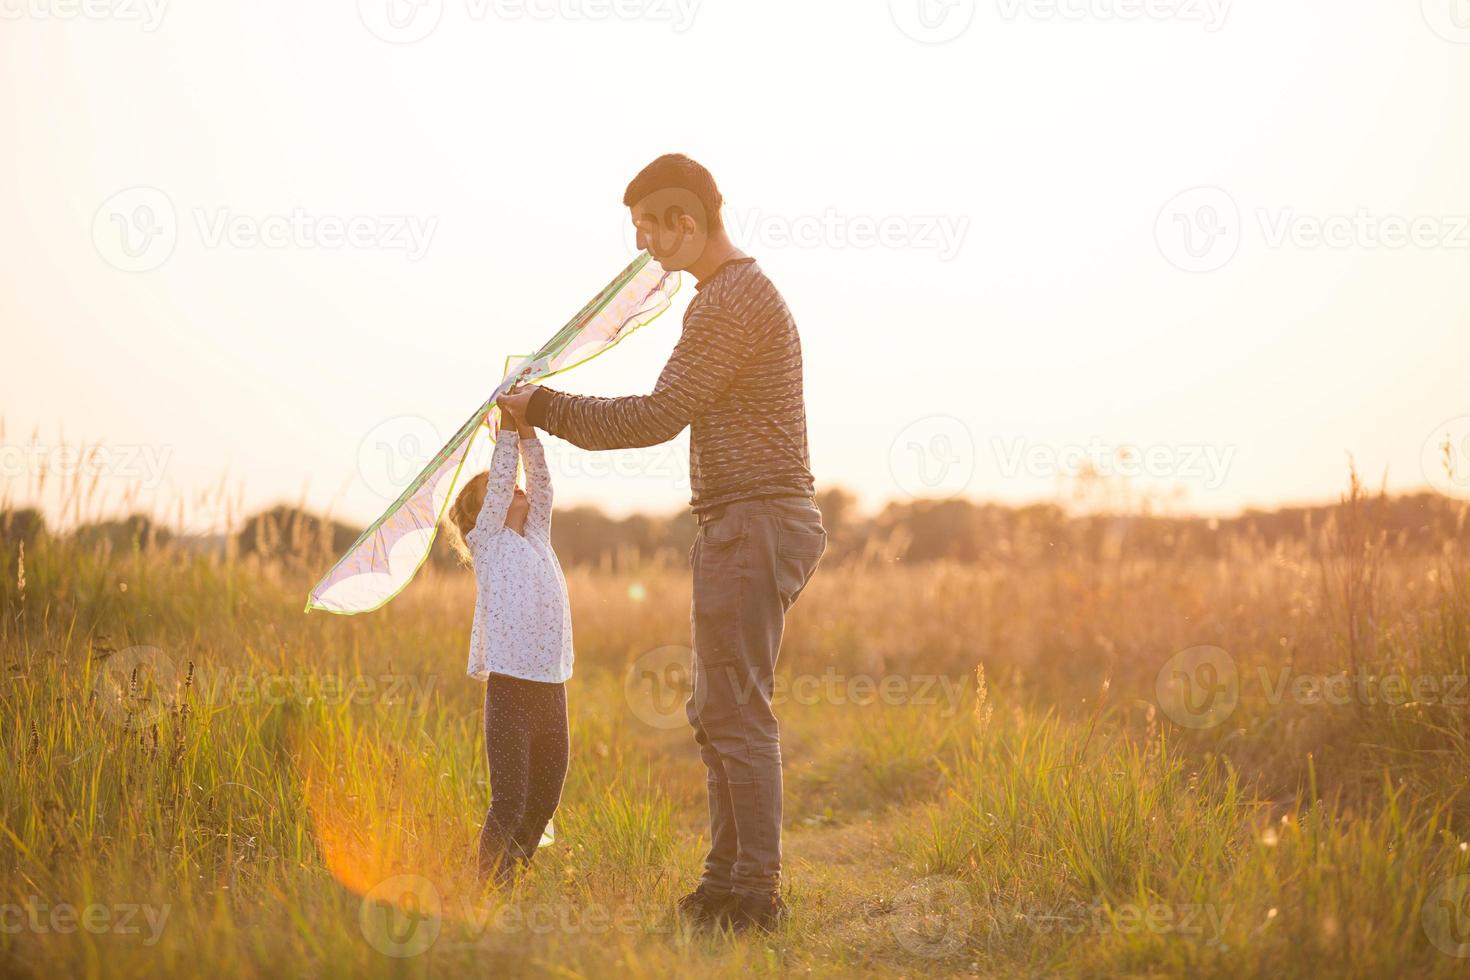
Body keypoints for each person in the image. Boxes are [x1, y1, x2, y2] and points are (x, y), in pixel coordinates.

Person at [497, 153, 826, 932]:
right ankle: (723, 883)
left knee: (736, 712)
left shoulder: (729, 302)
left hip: (753, 520)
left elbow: (654, 416)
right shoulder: (729, 294)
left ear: (688, 219)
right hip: (743, 520)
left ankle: (756, 894)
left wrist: (541, 406)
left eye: (652, 226)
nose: (644, 245)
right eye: (636, 229)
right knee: (716, 709)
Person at [446, 402, 573, 887]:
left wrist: (527, 430)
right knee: (510, 799)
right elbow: (503, 485)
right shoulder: (489, 543)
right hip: (510, 692)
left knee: (544, 796)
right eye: (494, 491)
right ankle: (485, 886)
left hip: (551, 688)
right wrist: (504, 435)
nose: (512, 485)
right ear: (482, 513)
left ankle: (509, 880)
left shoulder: (537, 537)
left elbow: (540, 486)